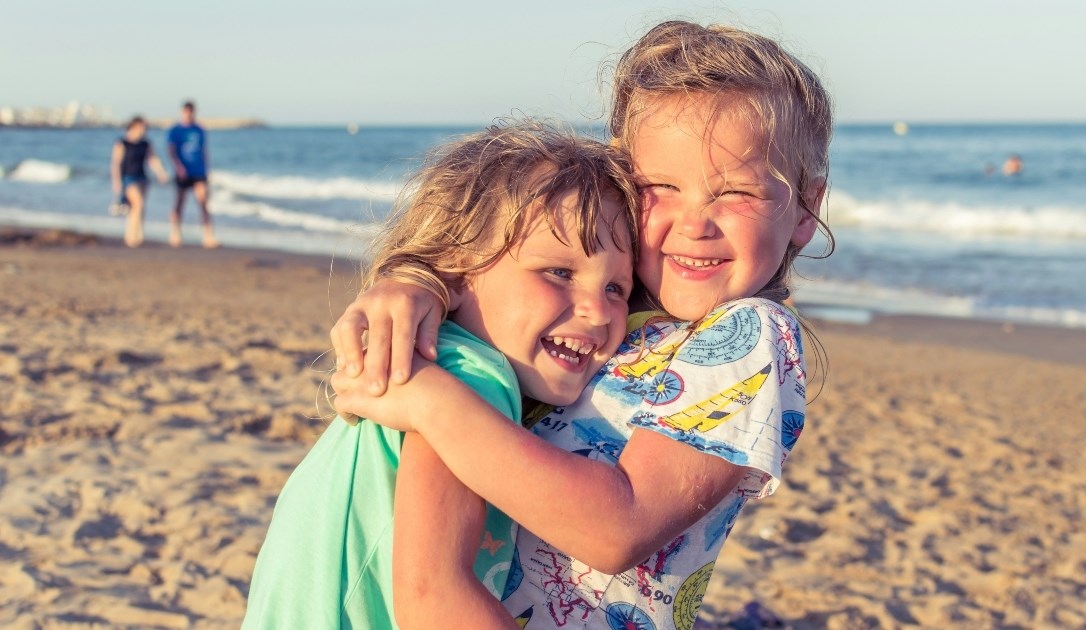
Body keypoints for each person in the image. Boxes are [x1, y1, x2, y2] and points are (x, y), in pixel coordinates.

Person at [329, 20, 833, 629]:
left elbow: (617, 528)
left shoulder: (750, 336)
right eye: (659, 187)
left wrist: (434, 403)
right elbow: (508, 262)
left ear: (806, 208)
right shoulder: (614, 310)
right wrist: (424, 285)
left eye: (735, 194)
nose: (695, 222)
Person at [242, 121, 640, 629]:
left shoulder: (441, 362)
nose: (598, 312)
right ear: (457, 270)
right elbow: (435, 598)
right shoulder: (470, 375)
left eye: (617, 288)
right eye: (558, 272)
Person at [109, 116, 169, 247]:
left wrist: (161, 173)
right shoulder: (122, 142)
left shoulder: (145, 143)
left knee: (137, 208)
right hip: (128, 178)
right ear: (134, 126)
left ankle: (137, 234)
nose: (144, 130)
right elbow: (116, 163)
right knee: (138, 204)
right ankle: (132, 237)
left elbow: (152, 159)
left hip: (142, 178)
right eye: (142, 127)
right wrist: (116, 182)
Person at [167, 100, 218, 248]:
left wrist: (207, 170)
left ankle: (208, 236)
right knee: (179, 203)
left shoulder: (200, 130)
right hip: (183, 172)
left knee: (203, 202)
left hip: (199, 171)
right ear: (182, 112)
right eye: (186, 112)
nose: (189, 115)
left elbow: (204, 151)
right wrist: (178, 166)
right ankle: (175, 234)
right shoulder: (175, 130)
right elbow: (171, 151)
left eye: (191, 112)